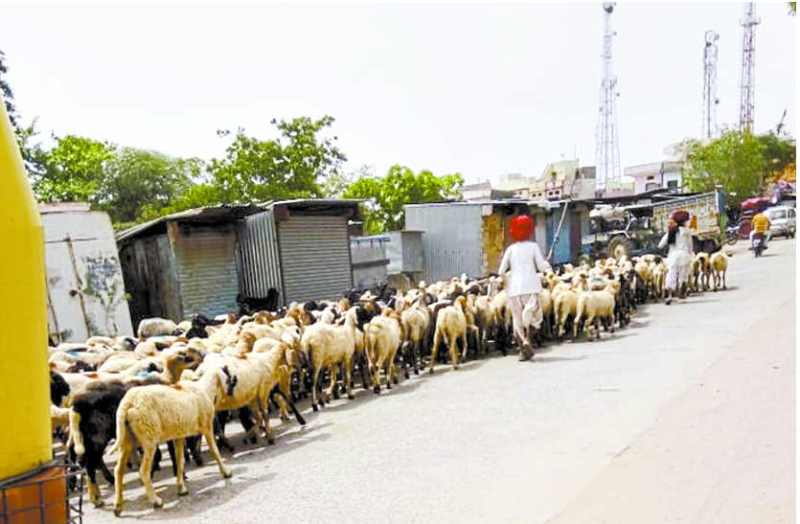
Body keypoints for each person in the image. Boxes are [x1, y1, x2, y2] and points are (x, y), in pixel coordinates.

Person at [497, 215, 552, 361]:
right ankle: (528, 339)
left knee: (517, 320)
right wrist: (546, 264)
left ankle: (522, 350)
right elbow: (541, 267)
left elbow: (501, 271)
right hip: (531, 287)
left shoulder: (510, 249)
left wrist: (507, 282)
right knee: (534, 318)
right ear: (529, 230)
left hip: (514, 290)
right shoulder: (533, 247)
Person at [658, 210, 694, 305]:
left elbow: (661, 244)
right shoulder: (687, 231)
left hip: (673, 257)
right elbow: (690, 245)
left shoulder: (671, 231)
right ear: (683, 222)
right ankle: (681, 297)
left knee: (671, 275)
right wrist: (691, 254)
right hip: (684, 256)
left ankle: (669, 296)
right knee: (683, 276)